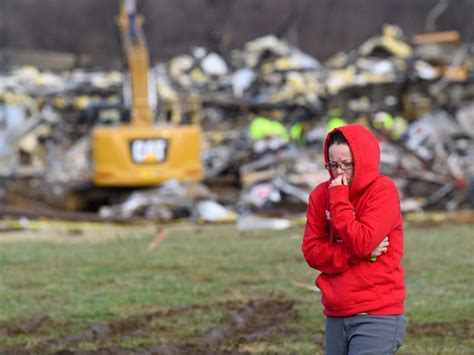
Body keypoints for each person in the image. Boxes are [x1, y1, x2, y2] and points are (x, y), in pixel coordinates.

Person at [302, 124, 406, 354]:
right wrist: (357, 254)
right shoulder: (320, 195)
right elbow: (312, 252)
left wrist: (339, 198)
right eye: (333, 165)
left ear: (364, 161)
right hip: (336, 311)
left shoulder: (382, 190)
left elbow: (361, 241)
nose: (339, 173)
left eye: (347, 165)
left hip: (377, 313)